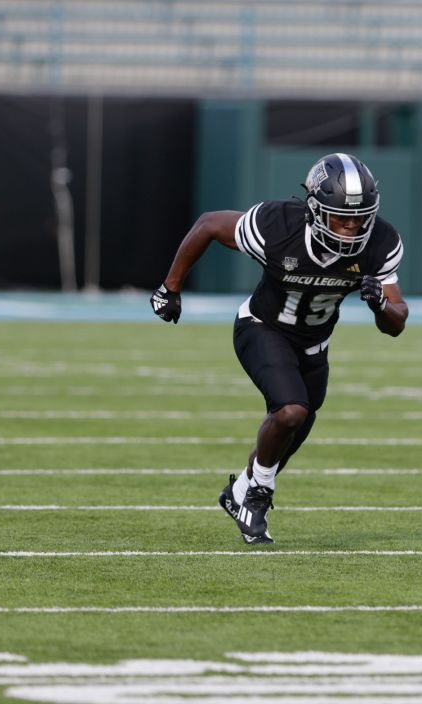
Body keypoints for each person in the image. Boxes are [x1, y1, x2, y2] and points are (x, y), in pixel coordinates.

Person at [150, 153, 408, 545]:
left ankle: (240, 493)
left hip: (315, 343)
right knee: (290, 411)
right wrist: (171, 287)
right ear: (315, 210)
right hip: (262, 327)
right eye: (341, 217)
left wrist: (381, 304)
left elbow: (396, 323)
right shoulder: (277, 225)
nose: (351, 227)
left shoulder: (381, 243)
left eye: (360, 218)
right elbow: (207, 225)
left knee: (298, 425)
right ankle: (257, 494)